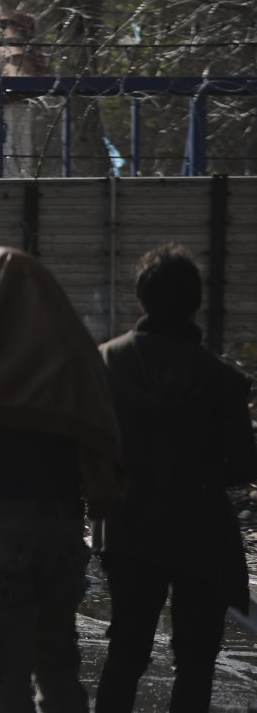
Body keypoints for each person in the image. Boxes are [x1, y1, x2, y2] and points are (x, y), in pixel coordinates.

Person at [0, 247, 123, 713]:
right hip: (64, 525)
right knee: (57, 662)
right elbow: (99, 439)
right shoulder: (70, 355)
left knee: (5, 665)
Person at [94, 244, 257, 713]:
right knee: (196, 659)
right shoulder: (222, 381)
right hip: (201, 532)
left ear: (141, 300)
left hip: (128, 526)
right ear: (195, 304)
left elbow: (86, 442)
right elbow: (245, 464)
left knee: (125, 649)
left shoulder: (106, 363)